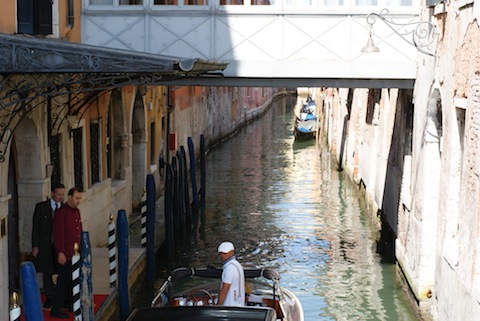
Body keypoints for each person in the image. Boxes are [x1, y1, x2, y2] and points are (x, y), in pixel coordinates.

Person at [31, 182, 65, 310]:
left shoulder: (64, 208)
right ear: (52, 194)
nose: (61, 197)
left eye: (62, 194)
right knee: (47, 271)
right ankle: (49, 295)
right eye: (58, 194)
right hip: (45, 244)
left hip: (59, 245)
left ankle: (61, 295)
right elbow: (36, 228)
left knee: (61, 270)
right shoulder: (41, 208)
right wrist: (35, 246)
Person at [50, 187, 83, 319]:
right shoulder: (61, 213)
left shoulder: (77, 212)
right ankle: (56, 308)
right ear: (69, 198)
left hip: (75, 254)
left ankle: (70, 303)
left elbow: (79, 230)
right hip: (65, 253)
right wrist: (60, 252)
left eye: (80, 198)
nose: (78, 201)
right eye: (76, 198)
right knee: (63, 282)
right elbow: (58, 234)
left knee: (72, 280)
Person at [217, 241, 245, 306]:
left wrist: (218, 306)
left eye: (224, 253)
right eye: (221, 253)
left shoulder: (229, 268)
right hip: (238, 304)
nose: (222, 255)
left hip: (229, 305)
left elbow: (225, 289)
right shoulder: (237, 265)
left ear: (231, 252)